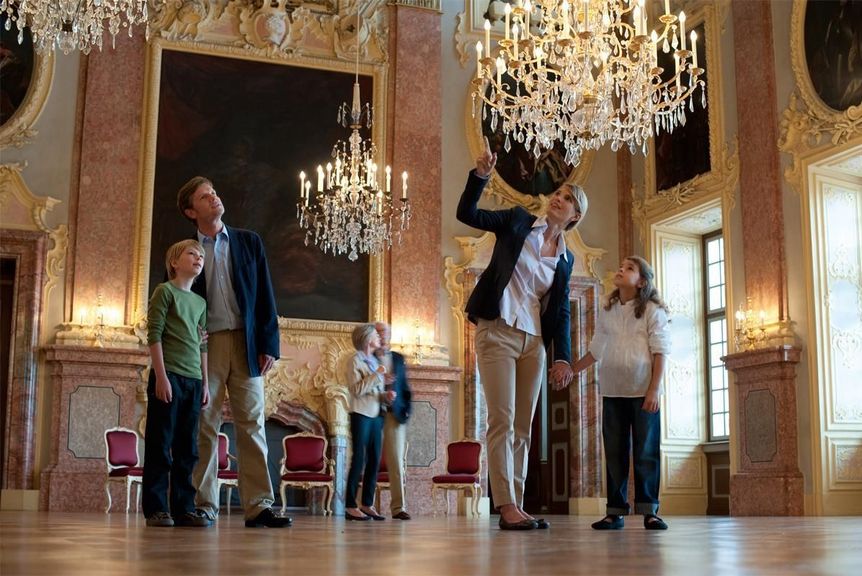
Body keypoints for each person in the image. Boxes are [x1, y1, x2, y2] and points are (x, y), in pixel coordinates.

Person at [456, 136, 586, 531]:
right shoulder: (516, 221)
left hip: (533, 343)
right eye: (558, 193)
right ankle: (507, 505)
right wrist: (479, 177)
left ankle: (519, 501)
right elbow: (468, 214)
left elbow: (560, 311)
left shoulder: (566, 258)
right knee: (502, 418)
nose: (557, 199)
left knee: (522, 426)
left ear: (576, 215)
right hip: (497, 332)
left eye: (567, 198)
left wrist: (561, 356)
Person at [177, 176, 290, 528]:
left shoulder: (248, 242)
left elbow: (266, 295)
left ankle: (258, 506)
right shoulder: (184, 251)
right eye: (204, 196)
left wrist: (269, 344)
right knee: (204, 424)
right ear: (191, 210)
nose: (214, 197)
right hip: (205, 346)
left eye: (213, 192)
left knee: (253, 424)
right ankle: (203, 504)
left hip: (247, 343)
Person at [558, 256, 671, 531]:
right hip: (612, 391)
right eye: (620, 266)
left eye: (629, 268)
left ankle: (649, 510)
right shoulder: (607, 310)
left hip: (644, 391)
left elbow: (661, 351)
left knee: (645, 451)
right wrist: (571, 369)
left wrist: (654, 389)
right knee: (615, 452)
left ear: (642, 281)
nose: (621, 269)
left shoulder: (652, 310)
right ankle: (615, 511)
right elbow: (597, 350)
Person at [143, 240, 212, 528]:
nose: (198, 258)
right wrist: (160, 376)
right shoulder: (165, 291)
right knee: (161, 444)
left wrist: (205, 383)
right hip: (168, 376)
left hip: (194, 381)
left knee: (188, 448)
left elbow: (203, 347)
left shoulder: (200, 302)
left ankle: (184, 507)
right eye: (192, 253)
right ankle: (157, 509)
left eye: (201, 256)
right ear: (174, 262)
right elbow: (154, 335)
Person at [344, 323, 397, 521]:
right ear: (367, 339)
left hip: (376, 414)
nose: (380, 338)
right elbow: (356, 390)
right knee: (359, 459)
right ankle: (350, 505)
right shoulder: (354, 361)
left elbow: (374, 391)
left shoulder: (374, 362)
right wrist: (377, 375)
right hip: (360, 414)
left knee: (374, 459)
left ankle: (366, 503)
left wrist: (386, 396)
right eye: (376, 335)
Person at [374, 322, 413, 520]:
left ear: (390, 335)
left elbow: (405, 387)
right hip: (371, 413)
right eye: (378, 333)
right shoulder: (365, 357)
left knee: (396, 461)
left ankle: (398, 508)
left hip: (394, 415)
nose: (382, 336)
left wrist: (406, 411)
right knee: (367, 459)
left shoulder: (398, 358)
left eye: (384, 333)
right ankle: (365, 506)